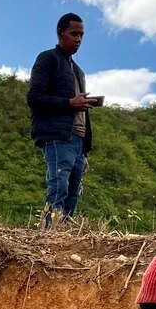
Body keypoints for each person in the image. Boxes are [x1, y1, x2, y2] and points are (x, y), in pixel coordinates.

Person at [27, 12, 98, 227]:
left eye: (81, 35)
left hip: (78, 139)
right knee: (59, 187)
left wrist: (84, 150)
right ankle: (47, 237)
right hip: (58, 136)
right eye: (74, 33)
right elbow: (34, 97)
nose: (78, 39)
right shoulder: (48, 58)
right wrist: (69, 103)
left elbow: (79, 108)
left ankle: (62, 236)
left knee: (73, 192)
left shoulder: (78, 71)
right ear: (61, 33)